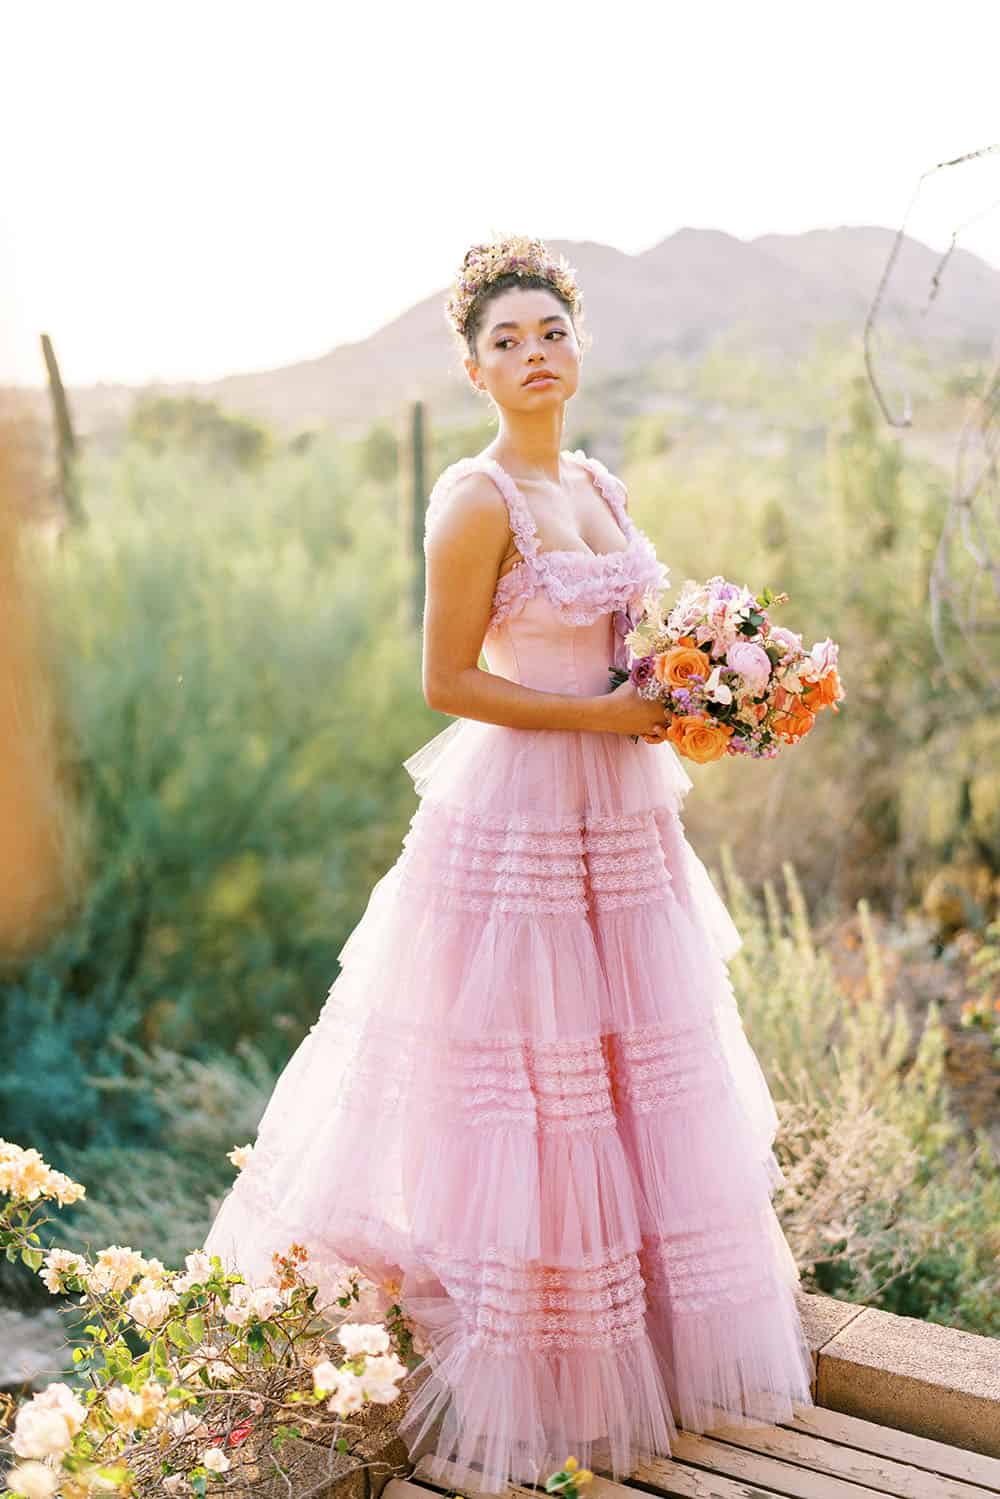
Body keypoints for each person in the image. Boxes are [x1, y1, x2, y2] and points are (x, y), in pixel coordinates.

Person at [203, 232, 815, 1494]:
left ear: (577, 349)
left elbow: (618, 638)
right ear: (473, 369)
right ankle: (505, 1354)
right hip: (521, 814)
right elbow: (444, 679)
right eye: (506, 341)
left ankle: (631, 1329)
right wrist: (606, 716)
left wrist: (705, 682)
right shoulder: (473, 498)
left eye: (551, 333)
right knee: (517, 1077)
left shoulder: (594, 478)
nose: (534, 355)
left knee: (623, 1057)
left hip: (622, 811)